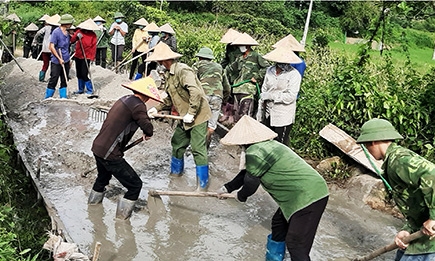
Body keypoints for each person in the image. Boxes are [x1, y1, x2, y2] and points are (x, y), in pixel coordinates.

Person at [217, 115, 329, 261]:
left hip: (308, 196)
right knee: (279, 223)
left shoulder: (255, 152)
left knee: (296, 244)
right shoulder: (267, 146)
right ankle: (274, 258)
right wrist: (227, 188)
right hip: (298, 195)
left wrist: (241, 196)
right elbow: (248, 173)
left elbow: (251, 184)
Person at [356, 118, 435, 261]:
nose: (367, 149)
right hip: (418, 234)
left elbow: (432, 174)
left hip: (429, 243)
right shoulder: (392, 162)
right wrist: (406, 230)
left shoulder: (399, 161)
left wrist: (434, 217)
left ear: (373, 142)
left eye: (366, 145)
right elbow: (413, 203)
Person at [88, 77, 162, 220]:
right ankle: (122, 221)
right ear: (146, 96)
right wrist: (147, 128)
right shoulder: (138, 105)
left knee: (102, 178)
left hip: (98, 147)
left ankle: (92, 209)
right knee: (135, 185)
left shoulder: (125, 99)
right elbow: (148, 128)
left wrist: (145, 121)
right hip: (110, 153)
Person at [146, 42, 212, 191]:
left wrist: (191, 112)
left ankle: (202, 184)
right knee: (177, 143)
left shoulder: (183, 71)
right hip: (184, 116)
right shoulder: (169, 75)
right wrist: (156, 108)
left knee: (197, 148)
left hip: (198, 115)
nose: (158, 64)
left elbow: (196, 92)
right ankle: (175, 174)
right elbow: (170, 98)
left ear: (164, 60)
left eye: (159, 61)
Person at [256, 47, 302, 147]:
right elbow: (264, 88)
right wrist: (263, 100)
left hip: (283, 114)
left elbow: (291, 96)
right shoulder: (270, 71)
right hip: (268, 112)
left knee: (281, 143)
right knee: (267, 140)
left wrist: (272, 96)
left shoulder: (294, 75)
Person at [225, 33, 269, 122]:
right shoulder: (240, 58)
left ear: (248, 46)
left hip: (248, 90)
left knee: (244, 117)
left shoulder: (256, 56)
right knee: (236, 116)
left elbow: (267, 67)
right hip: (237, 89)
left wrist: (257, 77)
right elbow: (229, 69)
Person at [192, 47, 229, 148]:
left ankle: (197, 146)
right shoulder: (219, 67)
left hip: (204, 95)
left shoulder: (197, 65)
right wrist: (224, 99)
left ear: (199, 57)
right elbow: (227, 87)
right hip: (218, 96)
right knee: (211, 126)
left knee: (199, 121)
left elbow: (192, 82)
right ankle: (206, 147)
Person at [44, 14, 74, 99]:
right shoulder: (56, 32)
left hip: (66, 59)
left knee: (64, 79)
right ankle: (48, 97)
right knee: (54, 78)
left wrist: (68, 60)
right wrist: (59, 58)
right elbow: (51, 47)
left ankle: (63, 97)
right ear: (66, 23)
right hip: (56, 60)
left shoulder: (67, 34)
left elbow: (67, 47)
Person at [218, 28, 242, 126]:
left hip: (237, 74)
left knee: (234, 96)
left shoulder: (240, 49)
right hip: (229, 74)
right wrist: (220, 68)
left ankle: (231, 115)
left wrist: (229, 69)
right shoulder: (229, 47)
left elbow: (239, 62)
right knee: (227, 93)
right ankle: (226, 113)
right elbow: (226, 59)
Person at [71, 19, 97, 95]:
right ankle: (80, 89)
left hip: (87, 56)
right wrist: (76, 37)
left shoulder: (93, 35)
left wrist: (92, 58)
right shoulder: (79, 31)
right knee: (78, 73)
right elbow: (72, 40)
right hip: (78, 55)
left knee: (84, 73)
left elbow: (93, 47)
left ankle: (90, 89)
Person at [33, 14, 59, 82]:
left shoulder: (46, 28)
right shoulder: (57, 29)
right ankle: (52, 78)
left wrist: (35, 40)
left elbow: (38, 33)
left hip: (45, 48)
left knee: (45, 64)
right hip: (52, 49)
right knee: (53, 64)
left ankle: (41, 78)